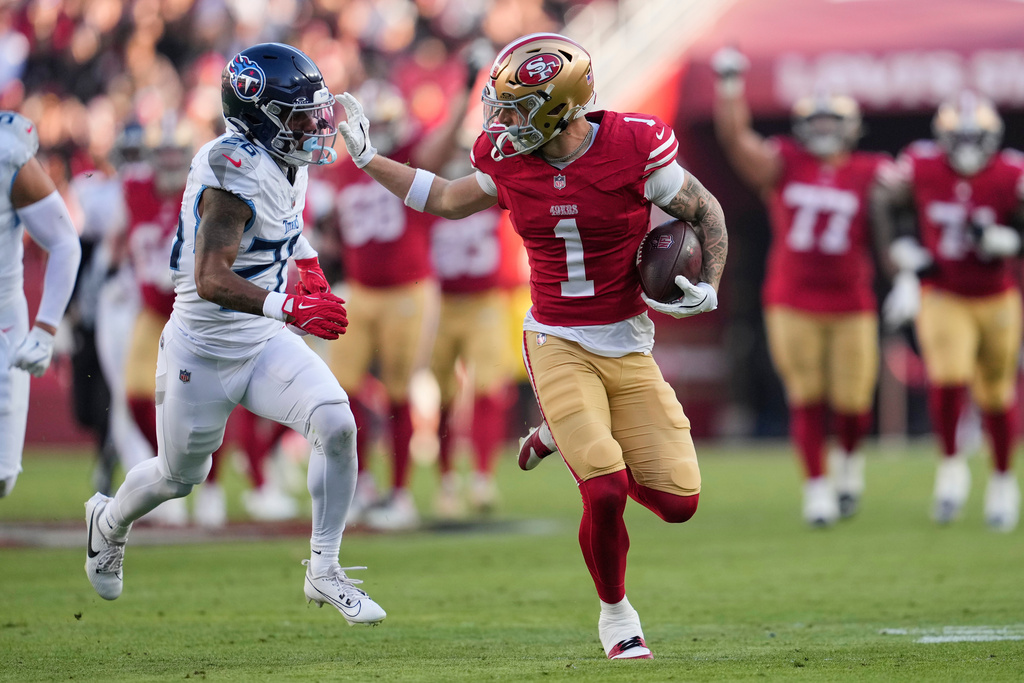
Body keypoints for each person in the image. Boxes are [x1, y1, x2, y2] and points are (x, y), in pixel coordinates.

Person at [336, 32, 727, 659]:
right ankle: (616, 616)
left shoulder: (632, 146)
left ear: (558, 107)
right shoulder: (505, 157)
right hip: (556, 338)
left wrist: (707, 283)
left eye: (517, 109)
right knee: (602, 486)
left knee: (679, 502)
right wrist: (369, 160)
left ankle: (555, 433)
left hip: (627, 341)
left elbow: (705, 210)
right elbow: (444, 197)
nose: (502, 121)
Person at [83, 43, 386, 626]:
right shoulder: (231, 170)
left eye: (314, 112)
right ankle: (109, 521)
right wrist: (291, 305)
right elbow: (211, 277)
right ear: (259, 116)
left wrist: (313, 268)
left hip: (261, 340)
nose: (317, 125)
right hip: (202, 345)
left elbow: (283, 225)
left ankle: (325, 569)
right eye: (300, 116)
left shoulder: (281, 159)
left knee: (336, 422)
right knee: (177, 477)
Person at [711, 47, 890, 526]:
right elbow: (734, 138)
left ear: (851, 127)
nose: (826, 131)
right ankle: (816, 488)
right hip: (792, 298)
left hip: (852, 300)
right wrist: (730, 84)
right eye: (819, 121)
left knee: (854, 402)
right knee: (807, 395)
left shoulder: (871, 171)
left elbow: (915, 205)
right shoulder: (785, 161)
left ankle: (849, 468)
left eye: (835, 122)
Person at [873, 91, 1024, 532]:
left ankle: (1000, 479)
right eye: (959, 137)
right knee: (949, 377)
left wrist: (1011, 240)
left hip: (996, 294)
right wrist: (901, 258)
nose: (968, 146)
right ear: (943, 137)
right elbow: (885, 204)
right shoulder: (920, 165)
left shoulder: (1011, 171)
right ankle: (952, 468)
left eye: (977, 137)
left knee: (997, 393)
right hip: (942, 291)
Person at [0, 111, 82, 499]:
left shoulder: (8, 154)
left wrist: (46, 328)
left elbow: (65, 241)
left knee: (3, 473)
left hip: (3, 320)